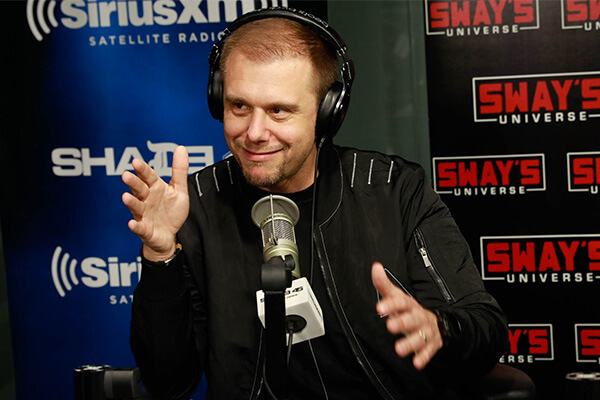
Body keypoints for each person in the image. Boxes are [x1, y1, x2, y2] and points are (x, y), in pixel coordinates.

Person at [122, 8, 508, 400]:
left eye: (278, 111)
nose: (254, 133)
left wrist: (439, 328)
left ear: (328, 113)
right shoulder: (197, 206)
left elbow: (485, 328)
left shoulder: (393, 190)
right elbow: (169, 382)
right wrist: (160, 255)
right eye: (239, 106)